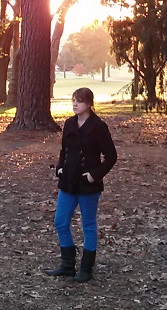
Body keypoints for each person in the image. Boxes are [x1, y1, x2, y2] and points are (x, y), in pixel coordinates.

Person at [45, 87, 117, 283]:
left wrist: (94, 176)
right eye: (73, 100)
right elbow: (64, 151)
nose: (75, 104)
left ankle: (86, 268)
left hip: (87, 184)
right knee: (60, 222)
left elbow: (111, 157)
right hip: (68, 181)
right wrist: (60, 167)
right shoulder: (69, 123)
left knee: (88, 225)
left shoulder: (99, 126)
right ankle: (68, 265)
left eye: (79, 101)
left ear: (89, 104)